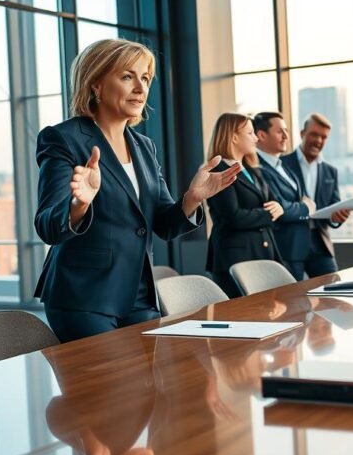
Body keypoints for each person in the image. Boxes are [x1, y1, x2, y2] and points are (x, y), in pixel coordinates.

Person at [34, 39, 239, 343]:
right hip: (85, 298)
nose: (141, 88)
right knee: (109, 389)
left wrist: (192, 199)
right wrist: (79, 205)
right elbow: (48, 225)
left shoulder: (144, 146)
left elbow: (164, 224)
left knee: (149, 388)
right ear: (95, 85)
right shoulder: (63, 139)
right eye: (127, 76)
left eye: (145, 78)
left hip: (139, 295)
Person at [205, 113, 284, 297]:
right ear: (233, 137)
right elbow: (233, 217)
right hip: (235, 259)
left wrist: (278, 208)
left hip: (263, 253)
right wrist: (269, 214)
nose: (256, 138)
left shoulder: (251, 170)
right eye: (250, 133)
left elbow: (273, 201)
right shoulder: (218, 172)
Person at [279, 113, 347, 280]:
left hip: (320, 243)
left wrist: (337, 217)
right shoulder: (282, 164)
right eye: (314, 134)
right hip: (292, 244)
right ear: (302, 133)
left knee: (334, 290)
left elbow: (333, 205)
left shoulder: (331, 171)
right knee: (291, 298)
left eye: (324, 137)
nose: (319, 141)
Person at [253, 111, 317, 279]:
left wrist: (304, 205)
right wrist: (306, 207)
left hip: (303, 247)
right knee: (290, 303)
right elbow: (280, 207)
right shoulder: (258, 169)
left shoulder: (283, 164)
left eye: (287, 131)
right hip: (285, 250)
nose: (286, 136)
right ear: (261, 135)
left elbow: (298, 200)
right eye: (280, 131)